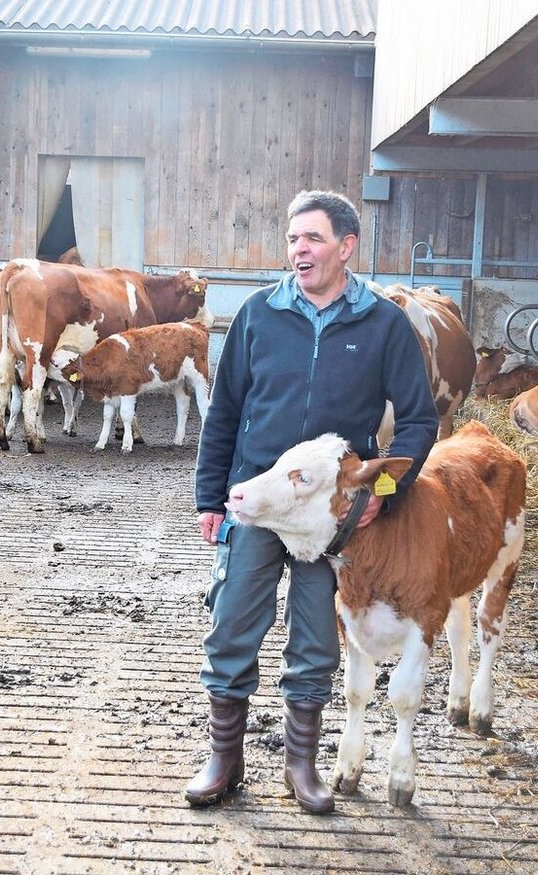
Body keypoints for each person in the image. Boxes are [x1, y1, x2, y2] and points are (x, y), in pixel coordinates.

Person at [186, 190, 440, 814]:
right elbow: (225, 411)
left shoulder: (383, 324)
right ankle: (225, 757)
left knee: (318, 640)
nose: (299, 249)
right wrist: (210, 496)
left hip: (330, 520)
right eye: (294, 238)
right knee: (234, 621)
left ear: (346, 247)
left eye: (314, 238)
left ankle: (301, 765)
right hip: (258, 499)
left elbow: (417, 422)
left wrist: (384, 492)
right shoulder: (258, 313)